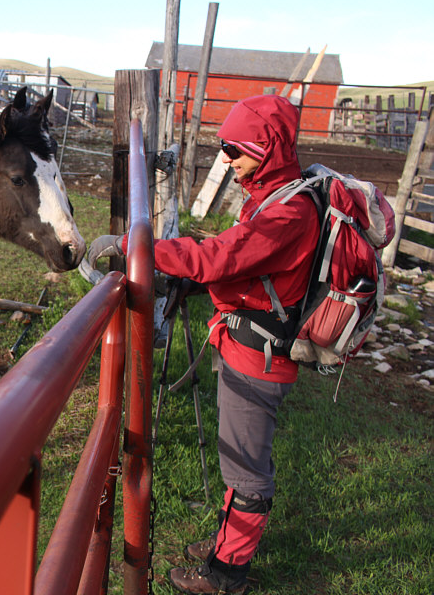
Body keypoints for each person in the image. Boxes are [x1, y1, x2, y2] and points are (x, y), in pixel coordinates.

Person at [88, 94, 320, 594]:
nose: (227, 159)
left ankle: (226, 573)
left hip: (257, 359)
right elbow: (246, 269)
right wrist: (190, 279)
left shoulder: (290, 212)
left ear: (267, 147)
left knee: (247, 469)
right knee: (238, 458)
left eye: (235, 149)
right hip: (246, 347)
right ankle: (224, 542)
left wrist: (140, 247)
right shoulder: (275, 196)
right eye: (224, 149)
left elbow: (223, 256)